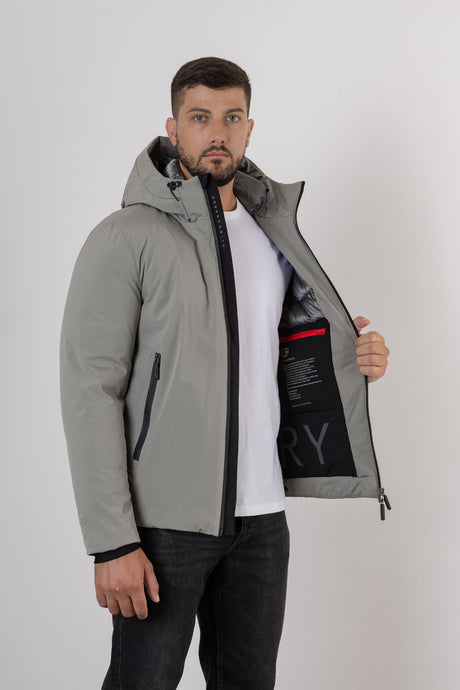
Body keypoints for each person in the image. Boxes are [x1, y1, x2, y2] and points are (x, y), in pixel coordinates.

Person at [59, 56, 390, 690]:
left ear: (249, 127)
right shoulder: (127, 235)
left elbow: (286, 351)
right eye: (200, 117)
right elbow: (89, 389)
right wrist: (112, 541)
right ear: (172, 128)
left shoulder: (274, 234)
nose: (218, 133)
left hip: (262, 518)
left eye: (232, 117)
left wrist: (355, 356)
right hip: (163, 523)